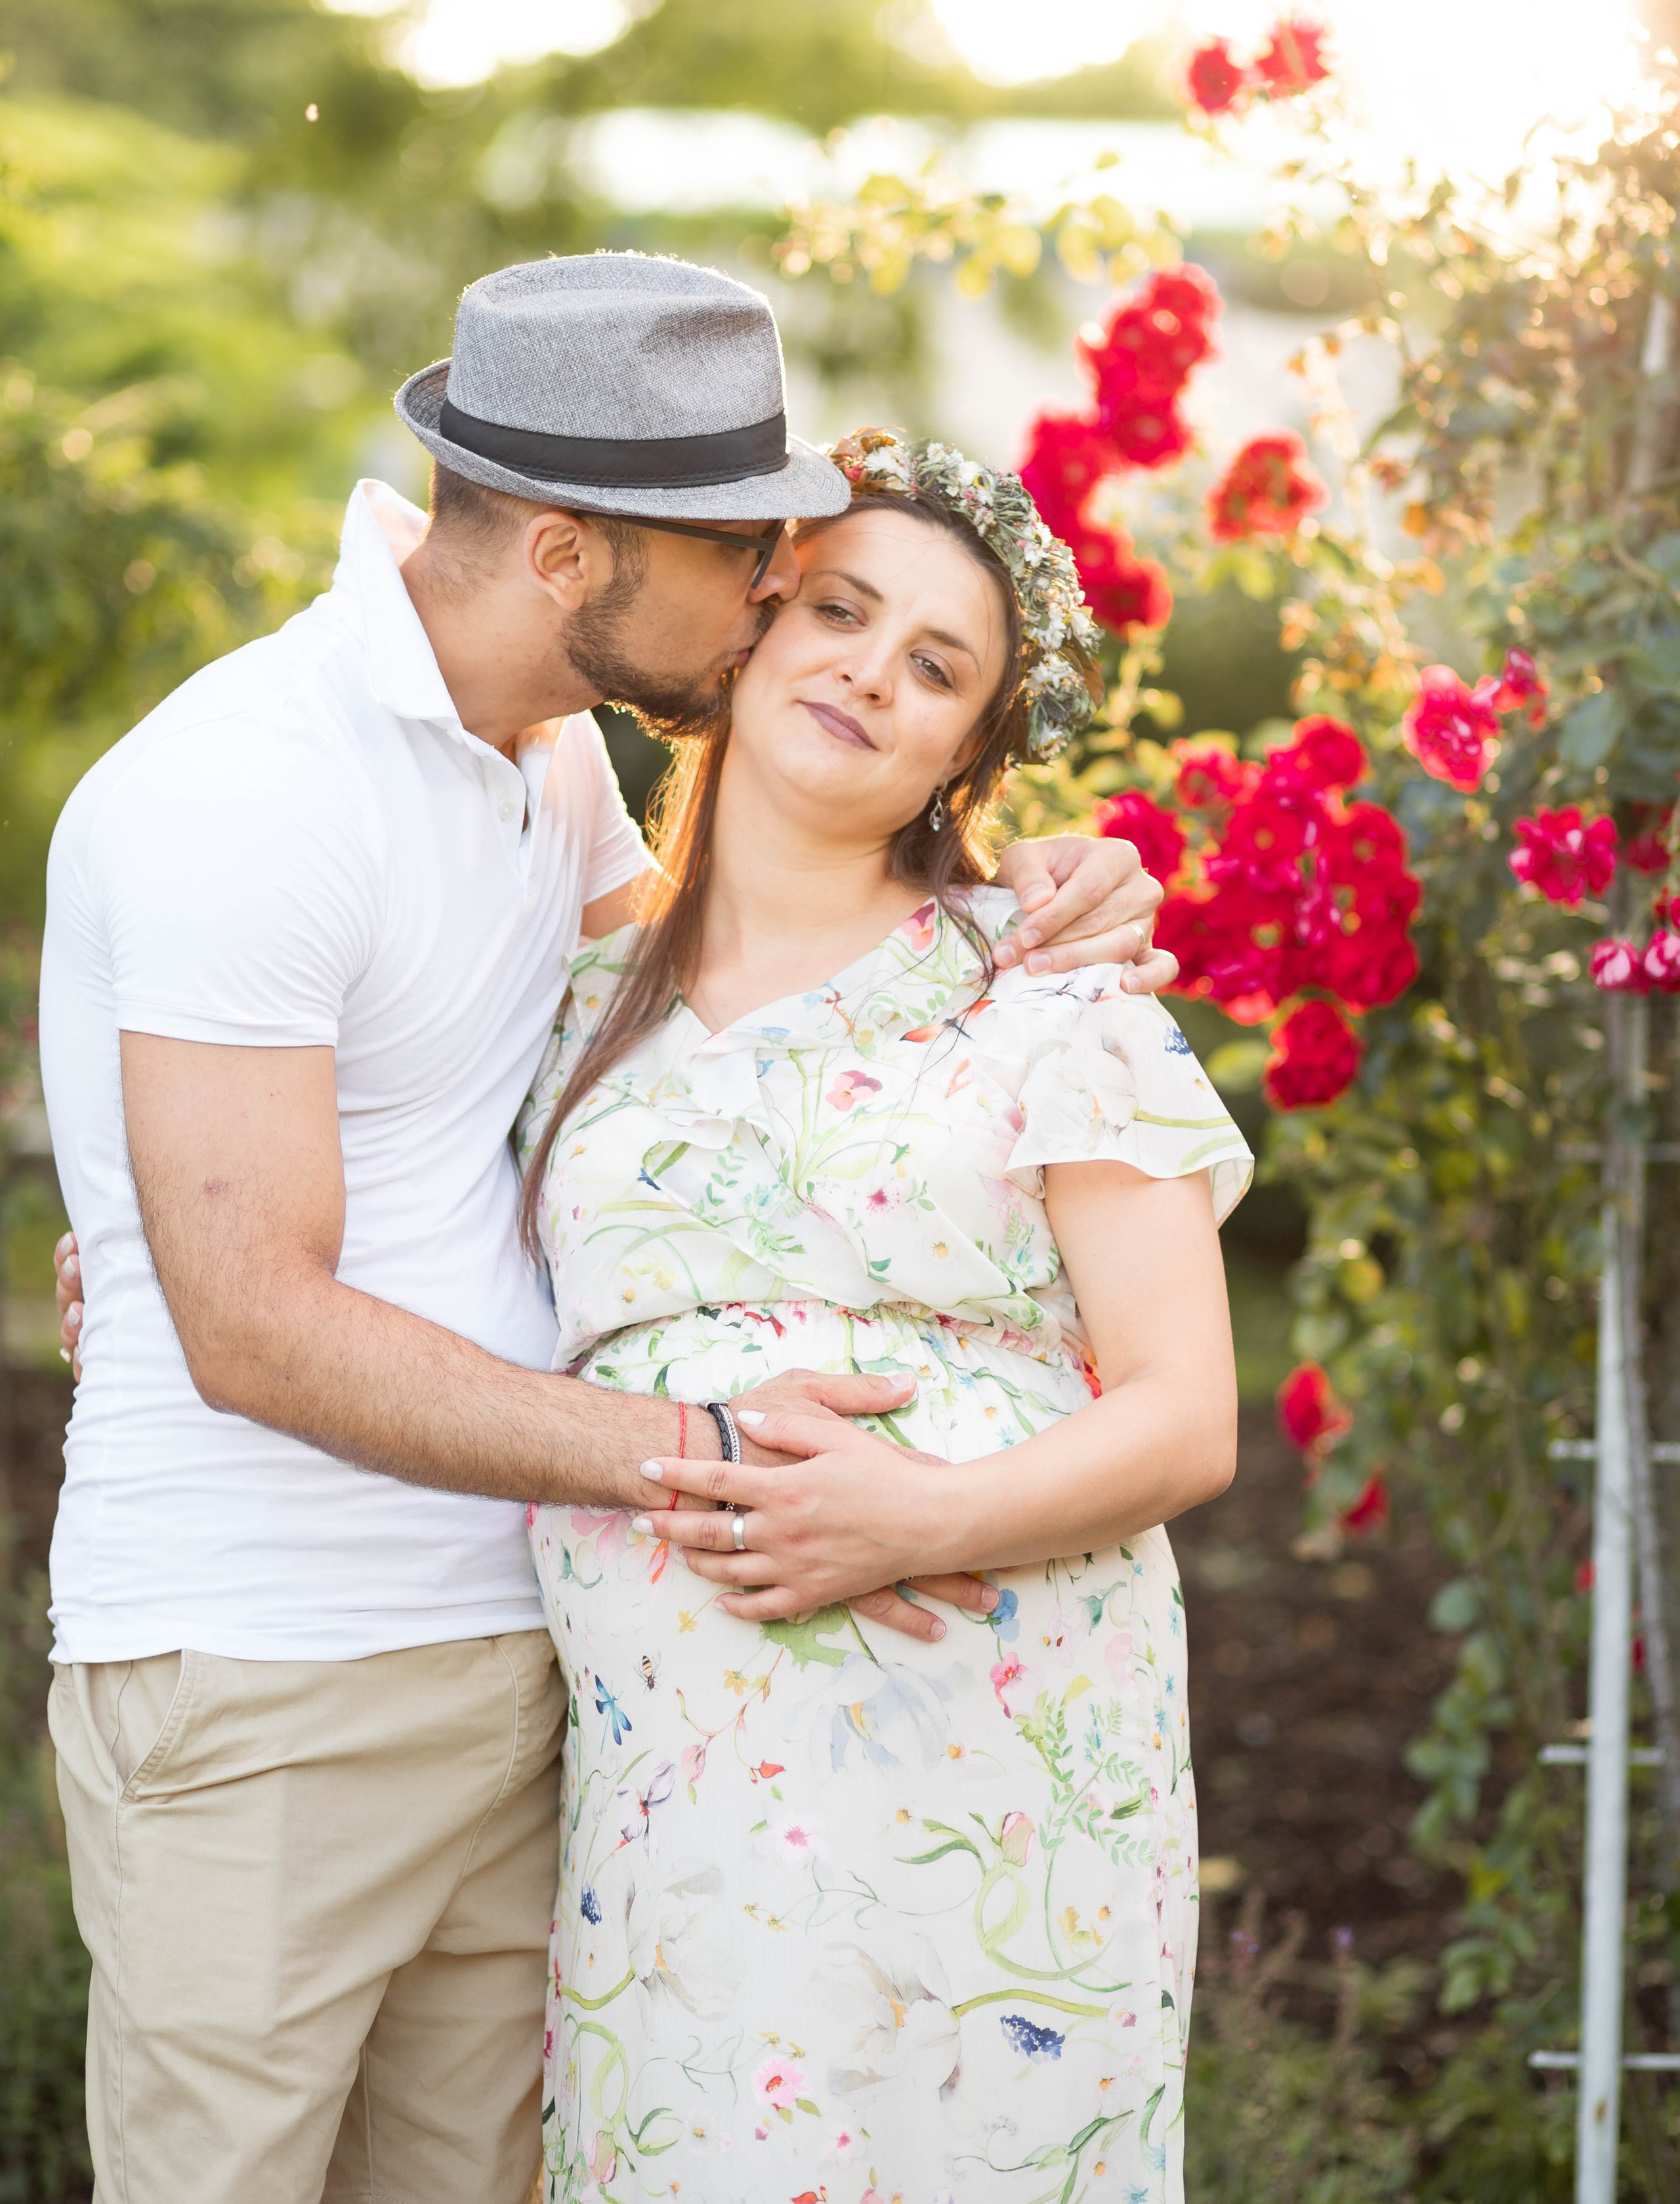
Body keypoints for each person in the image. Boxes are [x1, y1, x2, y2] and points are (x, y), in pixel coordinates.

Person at [40, 253, 1175, 2204]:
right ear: (569, 552)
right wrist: (714, 1461)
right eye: (748, 550)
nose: (769, 590)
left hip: (539, 1671)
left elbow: (694, 1054)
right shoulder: (245, 791)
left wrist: (1056, 881)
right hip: (272, 1667)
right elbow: (252, 1324)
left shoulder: (549, 767)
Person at [520, 427, 1250, 2203]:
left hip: (1000, 1782)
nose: (869, 668)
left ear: (967, 750)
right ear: (747, 638)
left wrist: (909, 1515)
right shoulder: (566, 996)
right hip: (678, 1810)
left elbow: (1184, 1413)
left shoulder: (1048, 989)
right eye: (837, 610)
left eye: (937, 664)